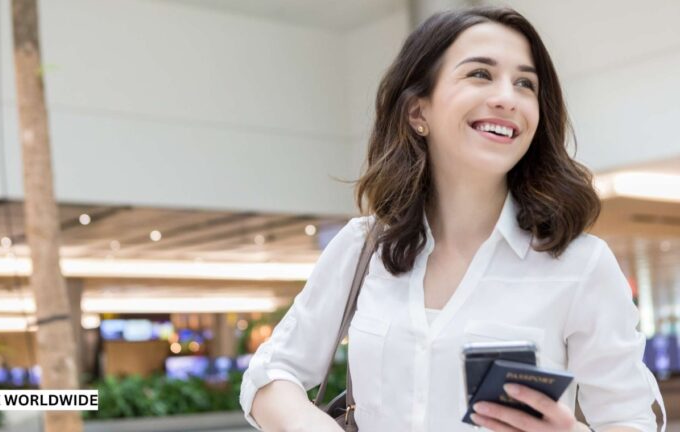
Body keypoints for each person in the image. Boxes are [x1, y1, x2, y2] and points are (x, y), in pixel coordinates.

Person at [239, 6, 665, 432]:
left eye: (525, 84)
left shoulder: (579, 265)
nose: (507, 97)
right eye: (480, 74)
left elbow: (630, 420)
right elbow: (269, 374)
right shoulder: (363, 247)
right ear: (418, 113)